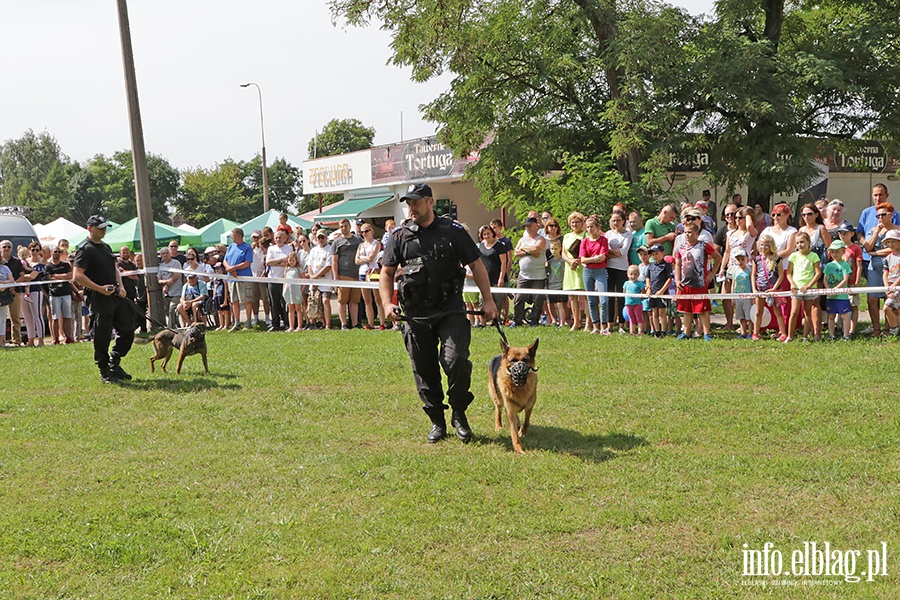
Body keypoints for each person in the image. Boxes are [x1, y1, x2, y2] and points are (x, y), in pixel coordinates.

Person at [380, 183, 498, 445]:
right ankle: (436, 420)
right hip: (414, 314)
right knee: (424, 369)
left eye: (416, 202)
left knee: (456, 361)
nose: (411, 208)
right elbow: (386, 273)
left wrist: (488, 300)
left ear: (430, 202)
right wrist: (388, 304)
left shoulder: (453, 232)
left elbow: (476, 265)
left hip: (450, 310)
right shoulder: (400, 236)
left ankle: (459, 413)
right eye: (408, 203)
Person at [73, 216, 134, 384]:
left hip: (114, 295)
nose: (103, 230)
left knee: (128, 329)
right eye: (100, 228)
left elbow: (114, 268)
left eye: (105, 227)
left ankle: (115, 363)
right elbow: (77, 275)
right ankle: (105, 372)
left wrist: (120, 286)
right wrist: (99, 289)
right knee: (102, 335)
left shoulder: (106, 247)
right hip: (98, 298)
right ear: (90, 228)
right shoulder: (84, 249)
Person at [786, 231, 823, 342]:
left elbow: (818, 273)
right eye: (797, 243)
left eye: (802, 242)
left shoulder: (814, 256)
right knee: (794, 312)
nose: (800, 245)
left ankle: (805, 336)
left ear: (808, 242)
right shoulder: (793, 256)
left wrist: (809, 285)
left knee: (807, 312)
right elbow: (788, 273)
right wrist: (792, 284)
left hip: (809, 289)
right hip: (796, 289)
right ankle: (790, 336)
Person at [750, 234, 786, 341]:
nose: (763, 247)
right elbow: (753, 275)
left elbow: (781, 275)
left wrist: (774, 288)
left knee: (778, 311)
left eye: (766, 245)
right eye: (761, 245)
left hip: (774, 288)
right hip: (760, 289)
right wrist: (754, 289)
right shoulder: (756, 259)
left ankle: (783, 333)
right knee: (758, 311)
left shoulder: (777, 259)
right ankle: (755, 334)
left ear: (771, 246)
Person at [512, 216, 547, 327]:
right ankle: (517, 320)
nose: (528, 228)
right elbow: (516, 253)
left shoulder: (541, 239)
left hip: (538, 275)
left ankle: (534, 320)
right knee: (519, 298)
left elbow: (536, 250)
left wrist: (524, 248)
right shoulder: (522, 240)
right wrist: (529, 251)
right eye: (526, 226)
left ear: (537, 226)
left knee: (538, 299)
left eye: (530, 226)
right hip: (524, 275)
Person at [331, 218, 363, 330]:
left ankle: (355, 323)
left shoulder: (358, 240)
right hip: (343, 275)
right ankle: (343, 324)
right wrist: (336, 277)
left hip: (356, 275)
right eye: (341, 226)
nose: (343, 228)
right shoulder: (337, 242)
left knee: (354, 301)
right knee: (342, 301)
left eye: (345, 226)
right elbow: (334, 261)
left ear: (349, 226)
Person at [223, 227, 256, 331]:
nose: (231, 238)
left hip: (243, 277)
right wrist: (229, 269)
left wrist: (234, 267)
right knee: (234, 301)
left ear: (239, 236)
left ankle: (248, 322)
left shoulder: (247, 247)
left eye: (233, 235)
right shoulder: (231, 247)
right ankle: (236, 322)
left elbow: (247, 263)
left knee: (246, 300)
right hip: (232, 278)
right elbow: (225, 260)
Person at [605, 212, 632, 333]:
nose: (616, 223)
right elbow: (604, 250)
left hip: (622, 269)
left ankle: (622, 325)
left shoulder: (628, 234)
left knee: (621, 297)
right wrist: (614, 251)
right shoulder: (608, 234)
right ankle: (610, 325)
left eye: (618, 220)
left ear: (623, 221)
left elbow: (623, 252)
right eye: (613, 220)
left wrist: (612, 252)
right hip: (609, 268)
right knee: (610, 297)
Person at [355, 223, 386, 329]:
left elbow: (371, 258)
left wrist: (362, 258)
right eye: (362, 232)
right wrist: (364, 258)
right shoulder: (361, 245)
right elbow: (356, 260)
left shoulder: (376, 243)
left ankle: (382, 322)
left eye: (366, 231)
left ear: (371, 231)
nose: (364, 234)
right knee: (367, 300)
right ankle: (370, 323)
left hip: (374, 271)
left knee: (378, 298)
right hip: (363, 273)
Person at [835, 223, 863, 335]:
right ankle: (841, 328)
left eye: (845, 233)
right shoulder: (836, 247)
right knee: (841, 304)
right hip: (839, 282)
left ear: (851, 234)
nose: (842, 235)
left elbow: (859, 266)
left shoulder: (855, 248)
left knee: (853, 305)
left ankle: (852, 329)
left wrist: (857, 282)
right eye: (840, 233)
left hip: (851, 281)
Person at [562, 212, 588, 332]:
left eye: (577, 221)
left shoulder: (586, 235)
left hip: (582, 267)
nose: (575, 224)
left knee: (584, 296)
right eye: (573, 222)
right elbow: (563, 253)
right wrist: (570, 261)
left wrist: (577, 261)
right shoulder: (567, 236)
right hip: (570, 268)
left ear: (582, 223)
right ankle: (576, 322)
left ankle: (588, 322)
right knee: (572, 296)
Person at [823, 240, 853, 340]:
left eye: (837, 252)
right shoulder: (828, 265)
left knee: (844, 316)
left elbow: (845, 279)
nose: (834, 254)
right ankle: (831, 335)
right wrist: (828, 289)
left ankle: (846, 335)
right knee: (831, 316)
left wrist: (836, 289)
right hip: (830, 296)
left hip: (842, 295)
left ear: (843, 251)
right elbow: (825, 278)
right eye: (833, 252)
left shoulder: (845, 265)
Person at [45, 246, 74, 344]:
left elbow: (69, 276)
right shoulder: (48, 266)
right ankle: (55, 338)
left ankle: (68, 337)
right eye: (55, 251)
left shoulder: (65, 265)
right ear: (51, 253)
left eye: (59, 252)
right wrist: (62, 276)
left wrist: (56, 275)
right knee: (55, 318)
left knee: (67, 317)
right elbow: (48, 278)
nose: (57, 253)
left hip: (66, 293)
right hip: (54, 294)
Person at [265, 230, 292, 331]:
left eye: (280, 237)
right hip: (272, 279)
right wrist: (281, 260)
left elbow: (289, 262)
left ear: (285, 238)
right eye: (276, 238)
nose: (278, 240)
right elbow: (268, 262)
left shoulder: (288, 248)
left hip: (284, 279)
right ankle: (275, 323)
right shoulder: (271, 248)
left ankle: (287, 322)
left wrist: (275, 262)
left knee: (285, 302)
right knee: (274, 302)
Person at [307, 229, 334, 329]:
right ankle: (315, 323)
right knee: (313, 302)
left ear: (326, 238)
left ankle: (327, 324)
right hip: (314, 281)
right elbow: (309, 265)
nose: (320, 239)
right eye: (319, 237)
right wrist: (312, 276)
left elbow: (328, 266)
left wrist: (316, 276)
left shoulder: (330, 249)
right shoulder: (313, 250)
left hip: (325, 280)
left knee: (325, 301)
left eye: (322, 237)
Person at [0, 240, 24, 346]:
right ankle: (2, 341)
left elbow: (22, 276)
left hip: (15, 292)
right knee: (2, 319)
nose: (6, 248)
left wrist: (12, 285)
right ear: (0, 248)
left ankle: (17, 341)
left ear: (12, 248)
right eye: (4, 246)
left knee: (15, 318)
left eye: (9, 247)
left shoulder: (17, 261)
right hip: (2, 295)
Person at [646, 244, 672, 338]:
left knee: (662, 313)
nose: (654, 256)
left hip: (662, 293)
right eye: (652, 254)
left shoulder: (666, 265)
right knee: (654, 313)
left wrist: (662, 291)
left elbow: (669, 279)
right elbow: (648, 277)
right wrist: (648, 288)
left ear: (662, 253)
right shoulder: (650, 265)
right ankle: (656, 331)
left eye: (657, 254)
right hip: (652, 293)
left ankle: (663, 331)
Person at [490, 218, 513, 322]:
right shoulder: (491, 241)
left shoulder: (506, 242)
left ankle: (506, 317)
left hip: (503, 272)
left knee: (504, 295)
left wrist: (506, 273)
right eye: (492, 228)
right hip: (494, 272)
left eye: (495, 227)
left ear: (500, 228)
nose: (493, 230)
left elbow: (509, 259)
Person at [157, 247, 183, 328]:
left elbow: (176, 276)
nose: (165, 255)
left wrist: (167, 284)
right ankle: (175, 326)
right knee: (167, 311)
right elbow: (159, 280)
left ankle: (170, 328)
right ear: (160, 255)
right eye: (163, 253)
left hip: (177, 292)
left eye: (166, 253)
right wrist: (165, 283)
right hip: (166, 294)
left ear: (170, 254)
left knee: (172, 309)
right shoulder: (161, 266)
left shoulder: (176, 263)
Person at [249, 230, 270, 327]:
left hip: (263, 276)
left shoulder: (265, 248)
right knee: (254, 299)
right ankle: (256, 317)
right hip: (253, 276)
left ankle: (266, 317)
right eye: (254, 238)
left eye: (257, 237)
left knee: (265, 298)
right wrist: (251, 249)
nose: (255, 240)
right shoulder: (250, 249)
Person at [730, 249, 753, 339]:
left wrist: (753, 296)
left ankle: (750, 332)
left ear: (747, 259)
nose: (740, 262)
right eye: (738, 259)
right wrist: (732, 296)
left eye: (742, 259)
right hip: (738, 296)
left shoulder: (749, 271)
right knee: (741, 316)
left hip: (747, 296)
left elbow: (751, 283)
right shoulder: (735, 271)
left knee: (749, 316)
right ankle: (743, 332)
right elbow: (733, 284)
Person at [881, 230, 900, 335]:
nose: (891, 244)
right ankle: (896, 329)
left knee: (887, 307)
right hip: (890, 287)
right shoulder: (888, 258)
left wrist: (894, 286)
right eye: (888, 242)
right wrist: (887, 287)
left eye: (894, 241)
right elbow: (885, 273)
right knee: (894, 309)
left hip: (897, 286)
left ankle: (894, 329)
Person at [282, 251, 304, 331]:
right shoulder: (287, 269)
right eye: (290, 260)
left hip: (297, 291)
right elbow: (284, 280)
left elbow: (304, 280)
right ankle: (291, 326)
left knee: (298, 308)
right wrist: (284, 290)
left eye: (293, 260)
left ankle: (299, 326)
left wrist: (301, 290)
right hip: (288, 291)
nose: (291, 262)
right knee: (290, 308)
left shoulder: (299, 269)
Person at [623, 265, 644, 335]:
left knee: (639, 318)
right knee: (631, 318)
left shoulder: (640, 284)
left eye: (635, 274)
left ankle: (640, 331)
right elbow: (624, 292)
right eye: (631, 274)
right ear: (627, 274)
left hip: (637, 304)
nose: (633, 276)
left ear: (638, 275)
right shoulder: (626, 283)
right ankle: (632, 331)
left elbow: (643, 293)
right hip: (628, 304)